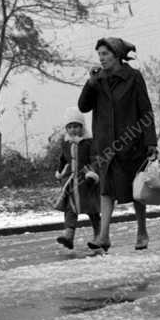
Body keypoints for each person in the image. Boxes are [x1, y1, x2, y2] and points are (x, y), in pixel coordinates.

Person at [78, 36, 158, 253]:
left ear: (117, 55)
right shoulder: (98, 80)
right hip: (105, 146)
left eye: (105, 54)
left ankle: (142, 230)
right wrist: (90, 83)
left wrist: (151, 142)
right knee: (106, 191)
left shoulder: (133, 77)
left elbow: (145, 111)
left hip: (132, 144)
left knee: (136, 191)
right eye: (99, 55)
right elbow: (83, 107)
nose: (101, 59)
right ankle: (103, 236)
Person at [54, 107, 101, 250]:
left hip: (87, 181)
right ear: (66, 129)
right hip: (72, 181)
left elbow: (95, 159)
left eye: (76, 126)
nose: (73, 130)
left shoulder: (88, 143)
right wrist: (60, 171)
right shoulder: (66, 144)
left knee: (92, 209)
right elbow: (63, 159)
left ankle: (99, 235)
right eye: (70, 127)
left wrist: (92, 174)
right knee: (70, 209)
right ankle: (69, 236)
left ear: (82, 127)